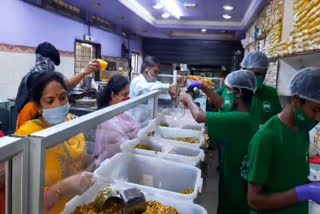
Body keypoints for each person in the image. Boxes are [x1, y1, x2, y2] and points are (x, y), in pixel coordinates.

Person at [14, 71, 95, 214]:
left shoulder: (72, 123)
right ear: (38, 107)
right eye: (50, 101)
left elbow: (81, 161)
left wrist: (94, 162)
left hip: (78, 207)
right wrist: (62, 188)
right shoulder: (28, 135)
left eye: (63, 97)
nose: (59, 105)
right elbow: (23, 197)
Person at [180, 70, 259, 214]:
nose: (226, 93)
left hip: (236, 186)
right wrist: (203, 87)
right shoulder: (248, 113)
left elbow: (199, 116)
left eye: (229, 89)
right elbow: (222, 103)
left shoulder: (240, 120)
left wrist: (187, 99)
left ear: (239, 93)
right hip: (232, 175)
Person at [247, 67, 320, 214]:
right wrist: (303, 193)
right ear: (295, 100)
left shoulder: (302, 130)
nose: (318, 118)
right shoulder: (266, 138)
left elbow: (290, 174)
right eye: (315, 110)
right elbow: (254, 200)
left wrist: (312, 185)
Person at [15, 42, 100, 129]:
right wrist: (84, 72)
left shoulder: (29, 75)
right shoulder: (36, 78)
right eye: (50, 100)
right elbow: (66, 85)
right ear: (48, 61)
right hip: (30, 125)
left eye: (62, 98)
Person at [188, 51, 282, 126]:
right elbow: (221, 103)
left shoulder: (271, 93)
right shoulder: (232, 89)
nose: (258, 78)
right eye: (255, 73)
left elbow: (278, 121)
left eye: (262, 74)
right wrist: (203, 87)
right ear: (243, 71)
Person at [94, 75, 140, 165]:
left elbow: (136, 127)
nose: (128, 98)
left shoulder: (120, 112)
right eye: (124, 95)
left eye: (128, 94)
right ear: (113, 96)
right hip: (107, 166)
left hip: (120, 160)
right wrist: (131, 135)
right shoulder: (108, 120)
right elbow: (125, 144)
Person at [129, 56, 176, 126]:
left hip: (145, 123)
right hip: (135, 124)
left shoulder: (148, 82)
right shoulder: (138, 81)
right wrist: (168, 86)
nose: (157, 75)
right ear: (146, 70)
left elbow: (156, 85)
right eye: (155, 72)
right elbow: (148, 87)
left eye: (158, 72)